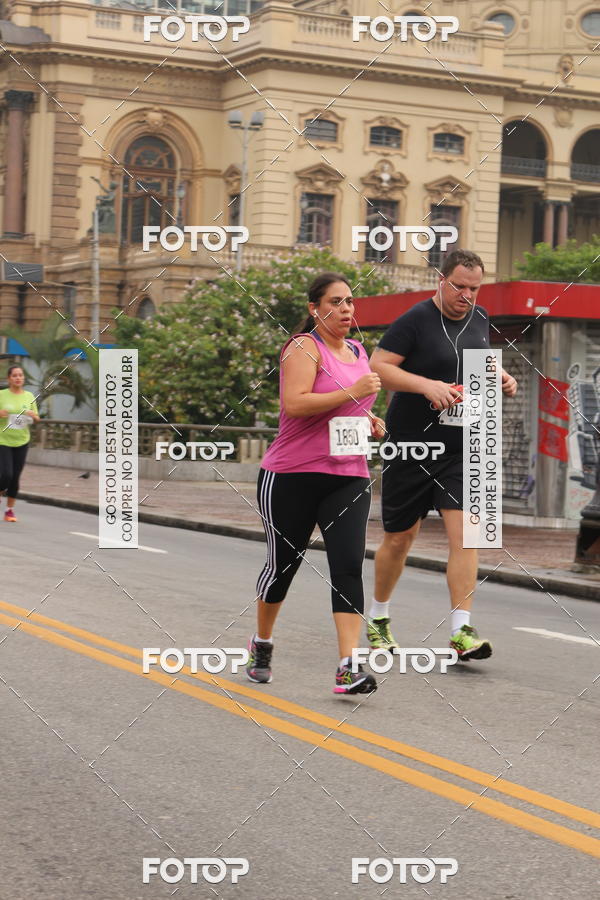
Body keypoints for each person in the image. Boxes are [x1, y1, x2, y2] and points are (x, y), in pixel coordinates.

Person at [368, 250, 518, 660]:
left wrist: (501, 376)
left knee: (467, 535)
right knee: (400, 538)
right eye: (459, 286)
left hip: (461, 447)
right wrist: (425, 386)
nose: (466, 295)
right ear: (441, 280)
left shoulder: (480, 317)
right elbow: (377, 367)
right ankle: (378, 616)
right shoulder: (414, 320)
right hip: (411, 445)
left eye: (474, 288)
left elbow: (475, 364)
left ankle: (461, 631)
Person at [246, 272, 386, 694]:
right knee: (282, 568)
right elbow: (296, 404)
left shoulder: (359, 351)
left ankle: (348, 666)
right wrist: (353, 391)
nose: (346, 309)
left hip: (347, 475)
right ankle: (262, 643)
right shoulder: (303, 347)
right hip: (292, 476)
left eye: (349, 302)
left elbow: (348, 408)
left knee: (347, 566)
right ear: (315, 309)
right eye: (335, 302)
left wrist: (369, 419)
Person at [0, 365, 40, 522]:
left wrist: (33, 415)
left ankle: (9, 511)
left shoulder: (29, 396)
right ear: (9, 378)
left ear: (23, 378)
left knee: (15, 477)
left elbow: (37, 418)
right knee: (6, 474)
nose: (18, 378)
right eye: (15, 375)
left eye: (20, 375)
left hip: (22, 441)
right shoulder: (2, 395)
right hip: (3, 440)